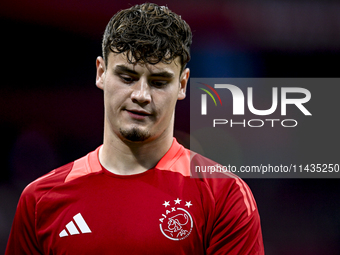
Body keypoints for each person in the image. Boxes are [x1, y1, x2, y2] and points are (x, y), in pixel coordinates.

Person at [6, 3, 264, 254]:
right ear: (101, 73)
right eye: (127, 77)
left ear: (183, 85)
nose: (141, 95)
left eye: (159, 82)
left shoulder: (223, 195)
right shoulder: (40, 201)